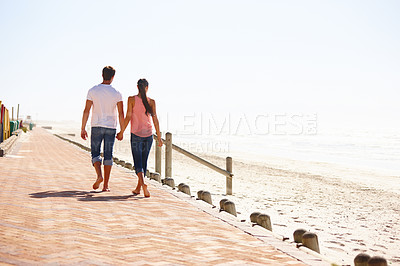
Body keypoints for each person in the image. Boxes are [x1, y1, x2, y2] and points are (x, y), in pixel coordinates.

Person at [116, 78, 162, 197]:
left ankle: (143, 184)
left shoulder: (131, 99)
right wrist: (160, 137)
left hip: (136, 134)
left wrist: (121, 132)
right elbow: (155, 120)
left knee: (138, 162)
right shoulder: (151, 101)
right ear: (147, 88)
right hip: (149, 135)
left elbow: (128, 117)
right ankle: (139, 188)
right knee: (143, 161)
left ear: (137, 87)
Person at [81, 66, 124, 192]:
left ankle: (99, 175)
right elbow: (121, 113)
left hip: (96, 125)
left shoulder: (93, 90)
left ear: (102, 75)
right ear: (113, 77)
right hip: (111, 127)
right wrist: (122, 131)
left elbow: (86, 110)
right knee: (108, 155)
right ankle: (105, 185)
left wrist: (83, 128)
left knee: (95, 153)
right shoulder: (117, 93)